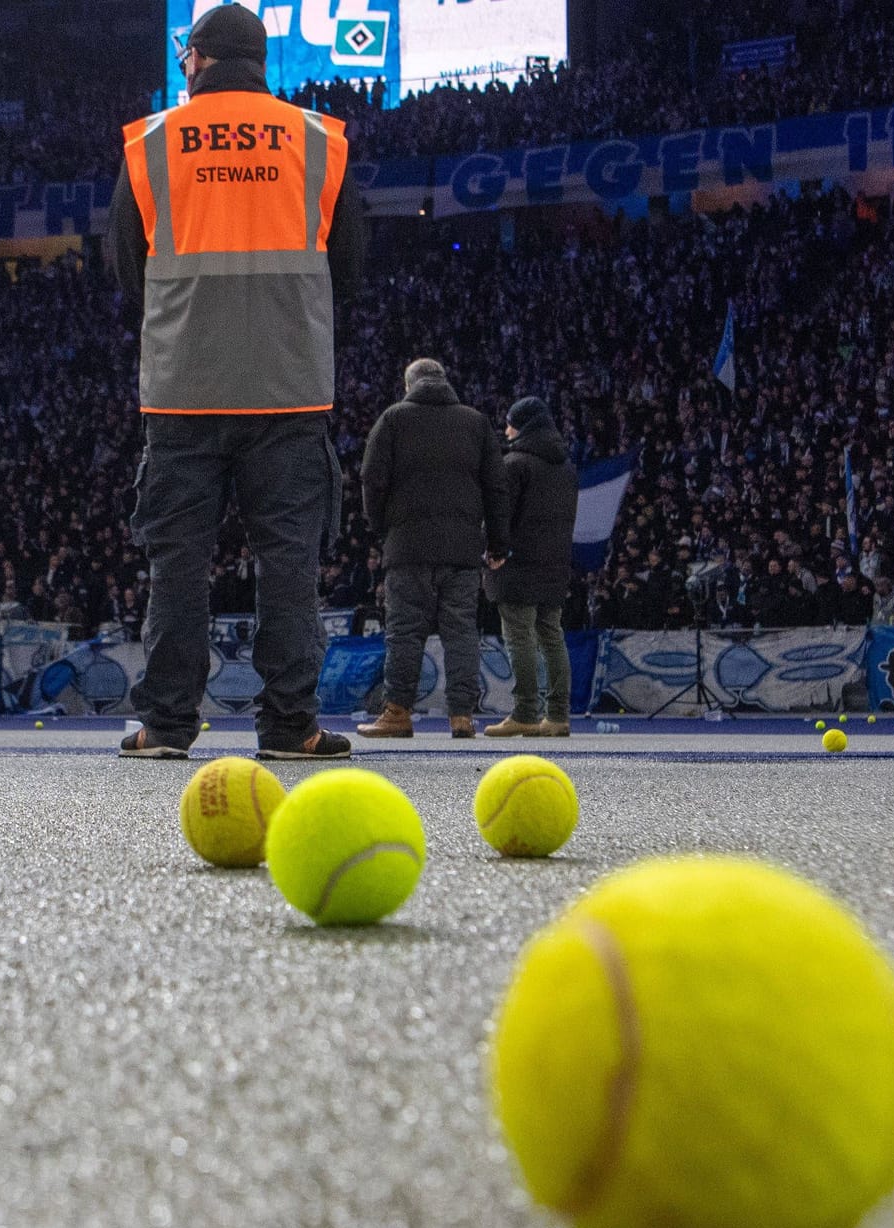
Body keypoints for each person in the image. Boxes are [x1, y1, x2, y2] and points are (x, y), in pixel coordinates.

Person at [110, 2, 365, 760]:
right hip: (288, 389)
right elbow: (346, 270)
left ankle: (165, 726)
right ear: (260, 62)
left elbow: (130, 273)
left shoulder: (152, 144)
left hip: (183, 388)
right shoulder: (318, 142)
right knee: (289, 562)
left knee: (178, 564)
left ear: (199, 60)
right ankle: (290, 727)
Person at [356, 359, 510, 739]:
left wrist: (382, 529)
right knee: (461, 633)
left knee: (405, 632)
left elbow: (371, 480)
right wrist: (498, 542)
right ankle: (461, 716)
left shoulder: (393, 419)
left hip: (407, 547)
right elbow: (496, 487)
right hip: (461, 549)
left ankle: (397, 712)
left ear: (409, 385)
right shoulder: (475, 423)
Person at [484, 397, 577, 738]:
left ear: (523, 426)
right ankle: (557, 715)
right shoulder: (566, 465)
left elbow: (500, 515)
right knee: (552, 636)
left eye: (510, 422)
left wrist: (494, 550)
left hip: (517, 565)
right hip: (554, 563)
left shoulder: (515, 464)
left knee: (519, 636)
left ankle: (525, 711)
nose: (506, 429)